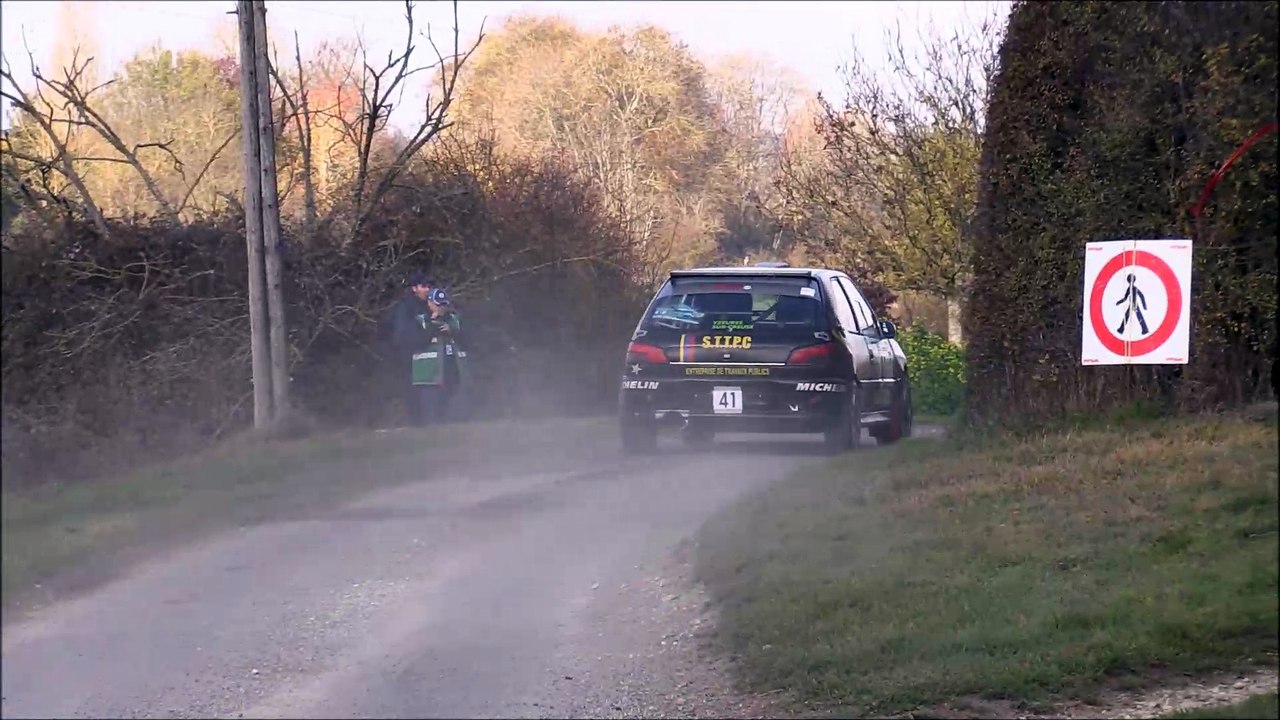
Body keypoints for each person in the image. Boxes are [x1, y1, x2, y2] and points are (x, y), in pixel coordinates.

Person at [390, 272, 435, 426]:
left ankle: (428, 419)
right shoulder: (406, 306)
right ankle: (415, 420)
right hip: (409, 353)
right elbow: (402, 332)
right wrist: (421, 341)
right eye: (423, 286)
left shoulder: (429, 305)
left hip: (426, 354)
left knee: (427, 386)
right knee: (412, 387)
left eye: (429, 286)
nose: (427, 290)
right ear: (414, 288)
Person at [421, 287, 469, 421]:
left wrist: (451, 329)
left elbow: (467, 337)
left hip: (452, 365)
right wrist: (432, 323)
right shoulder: (422, 319)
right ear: (430, 303)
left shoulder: (454, 319)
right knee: (433, 406)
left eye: (443, 305)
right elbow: (417, 338)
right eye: (438, 304)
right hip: (430, 371)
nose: (441, 308)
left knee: (453, 398)